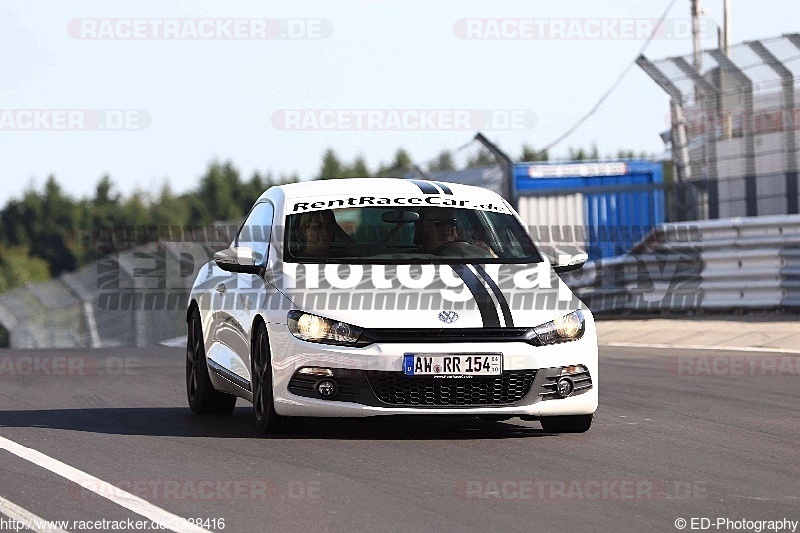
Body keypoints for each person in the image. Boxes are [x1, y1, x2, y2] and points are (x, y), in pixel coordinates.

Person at [415, 207, 497, 257]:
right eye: (440, 222)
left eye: (452, 222)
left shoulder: (472, 252)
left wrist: (489, 254)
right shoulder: (413, 258)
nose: (447, 227)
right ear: (426, 226)